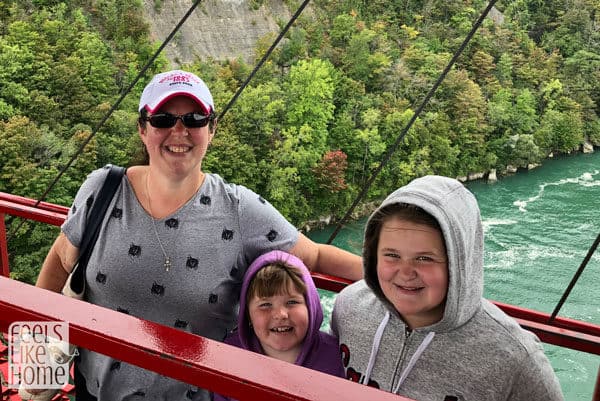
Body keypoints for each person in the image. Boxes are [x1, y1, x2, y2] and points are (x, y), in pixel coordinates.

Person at [35, 69, 362, 401]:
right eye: (163, 119)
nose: (179, 131)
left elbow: (315, 255)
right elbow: (60, 262)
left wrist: (392, 275)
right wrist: (37, 365)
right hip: (98, 394)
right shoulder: (104, 189)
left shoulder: (239, 209)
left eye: (193, 119)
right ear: (143, 129)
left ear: (212, 129)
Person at [331, 175, 564, 401]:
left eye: (424, 259)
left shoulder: (513, 356)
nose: (405, 272)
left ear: (460, 264)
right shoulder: (350, 307)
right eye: (392, 255)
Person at [214, 250, 345, 401]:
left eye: (292, 302)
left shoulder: (337, 357)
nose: (281, 314)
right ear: (247, 314)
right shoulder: (229, 354)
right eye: (265, 305)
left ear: (311, 307)